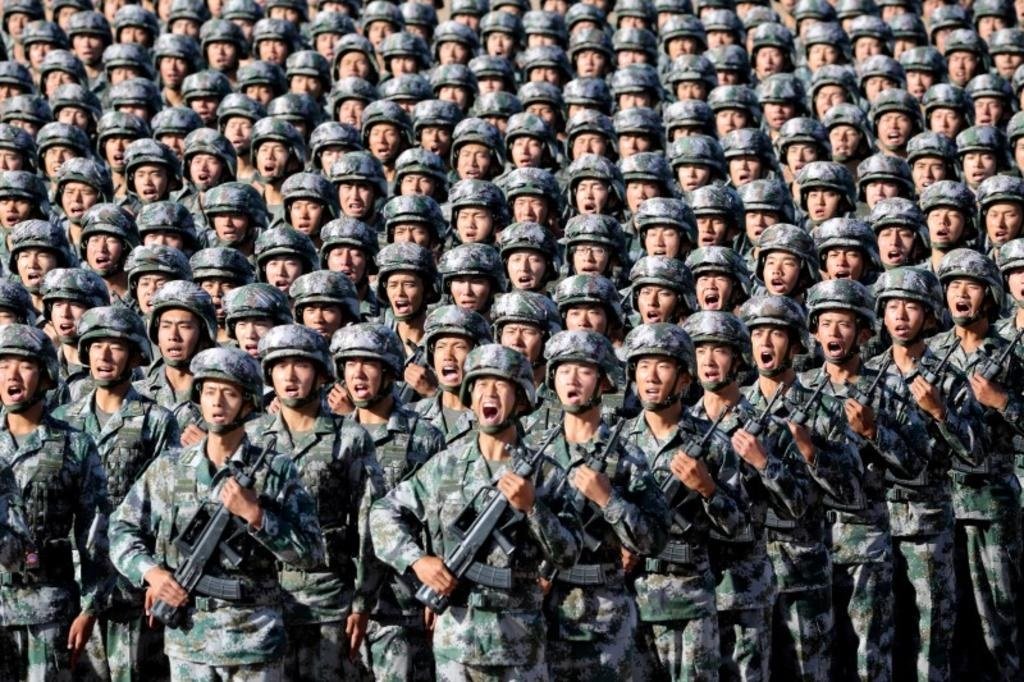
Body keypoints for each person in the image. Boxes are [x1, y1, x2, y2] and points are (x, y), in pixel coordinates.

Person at [108, 346, 325, 681]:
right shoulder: (170, 467)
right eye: (209, 392)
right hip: (189, 642)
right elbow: (121, 529)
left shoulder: (276, 470)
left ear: (249, 401)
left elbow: (310, 553)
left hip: (254, 641)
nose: (217, 402)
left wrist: (257, 517)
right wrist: (152, 573)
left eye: (229, 393)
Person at [369, 344, 583, 679]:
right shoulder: (446, 465)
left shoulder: (547, 475)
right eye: (480, 384)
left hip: (520, 641)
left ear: (521, 398)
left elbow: (569, 554)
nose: (489, 393)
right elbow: (383, 513)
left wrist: (533, 508)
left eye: (500, 385)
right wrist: (417, 561)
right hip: (457, 638)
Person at [250, 324, 385, 681]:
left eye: (302, 365)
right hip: (262, 600)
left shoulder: (349, 437)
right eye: (280, 366)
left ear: (322, 373)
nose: (290, 375)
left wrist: (362, 601)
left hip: (328, 599)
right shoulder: (251, 437)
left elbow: (369, 521)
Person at [55, 306, 180, 681]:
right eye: (95, 346)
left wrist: (158, 571)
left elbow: (166, 505)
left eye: (115, 347)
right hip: (75, 578)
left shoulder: (156, 420)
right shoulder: (63, 419)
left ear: (136, 353)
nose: (104, 357)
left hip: (131, 579)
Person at [621, 322, 750, 681]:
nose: (651, 376)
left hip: (689, 602)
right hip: (630, 601)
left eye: (662, 366)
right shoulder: (618, 443)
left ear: (683, 379)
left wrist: (708, 489)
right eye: (643, 366)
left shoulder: (711, 443)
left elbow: (740, 528)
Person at [539, 329, 670, 679]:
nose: (573, 379)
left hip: (606, 610)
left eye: (584, 371)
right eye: (564, 370)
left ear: (604, 382)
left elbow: (653, 539)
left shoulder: (626, 455)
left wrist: (608, 500)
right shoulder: (533, 452)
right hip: (542, 607)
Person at [331, 322, 445, 681]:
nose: (358, 374)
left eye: (369, 364)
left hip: (401, 603)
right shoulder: (331, 437)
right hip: (338, 601)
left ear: (390, 371)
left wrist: (436, 592)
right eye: (350, 364)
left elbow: (441, 519)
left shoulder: (423, 437)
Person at [0, 324, 108, 682]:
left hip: (48, 608)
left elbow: (94, 533)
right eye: (3, 365)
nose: (12, 376)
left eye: (25, 365)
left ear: (46, 376)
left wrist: (90, 608)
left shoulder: (74, 446)